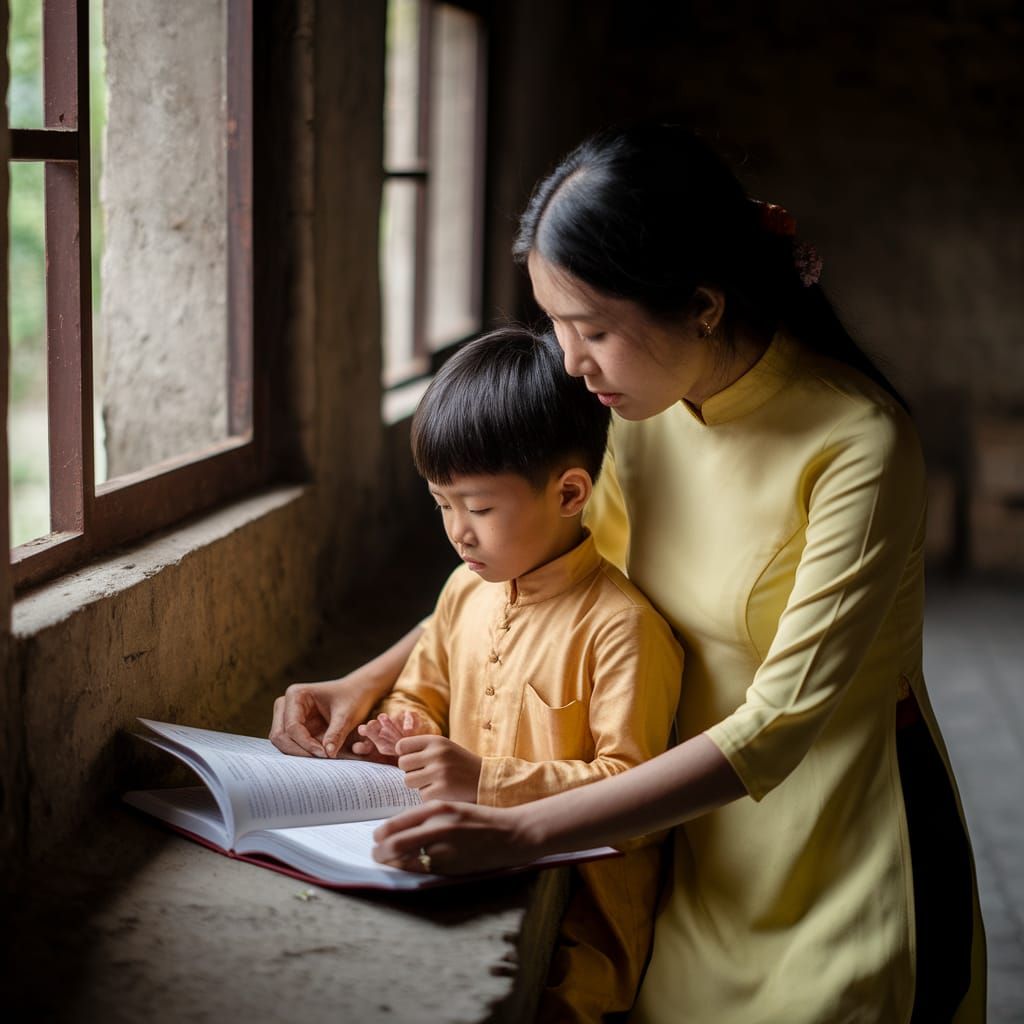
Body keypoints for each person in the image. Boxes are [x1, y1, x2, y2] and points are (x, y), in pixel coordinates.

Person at [359, 125, 987, 1023]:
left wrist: (517, 828)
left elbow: (777, 727)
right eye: (555, 326)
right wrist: (370, 677)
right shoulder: (642, 405)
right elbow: (554, 570)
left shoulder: (858, 445)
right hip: (675, 830)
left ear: (701, 304)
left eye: (594, 330)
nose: (570, 362)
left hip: (832, 850)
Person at [294, 324, 684, 1023]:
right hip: (461, 864)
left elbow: (634, 797)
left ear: (570, 494)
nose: (458, 532)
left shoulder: (621, 628)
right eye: (443, 505)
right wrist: (404, 724)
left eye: (478, 508)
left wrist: (483, 781)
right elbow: (426, 683)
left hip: (579, 921)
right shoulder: (463, 591)